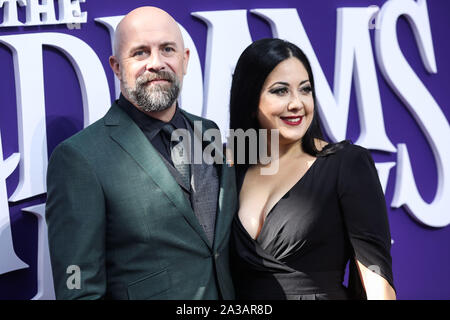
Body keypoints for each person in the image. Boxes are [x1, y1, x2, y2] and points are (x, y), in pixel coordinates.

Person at [45, 6, 237, 300]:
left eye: (167, 49)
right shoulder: (79, 158)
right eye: (140, 53)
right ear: (116, 66)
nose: (156, 63)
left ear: (184, 60)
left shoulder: (207, 131)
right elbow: (78, 289)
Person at [228, 38, 396, 300]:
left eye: (305, 90)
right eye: (280, 91)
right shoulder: (231, 172)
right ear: (250, 100)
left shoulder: (346, 163)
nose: (297, 103)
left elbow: (376, 278)